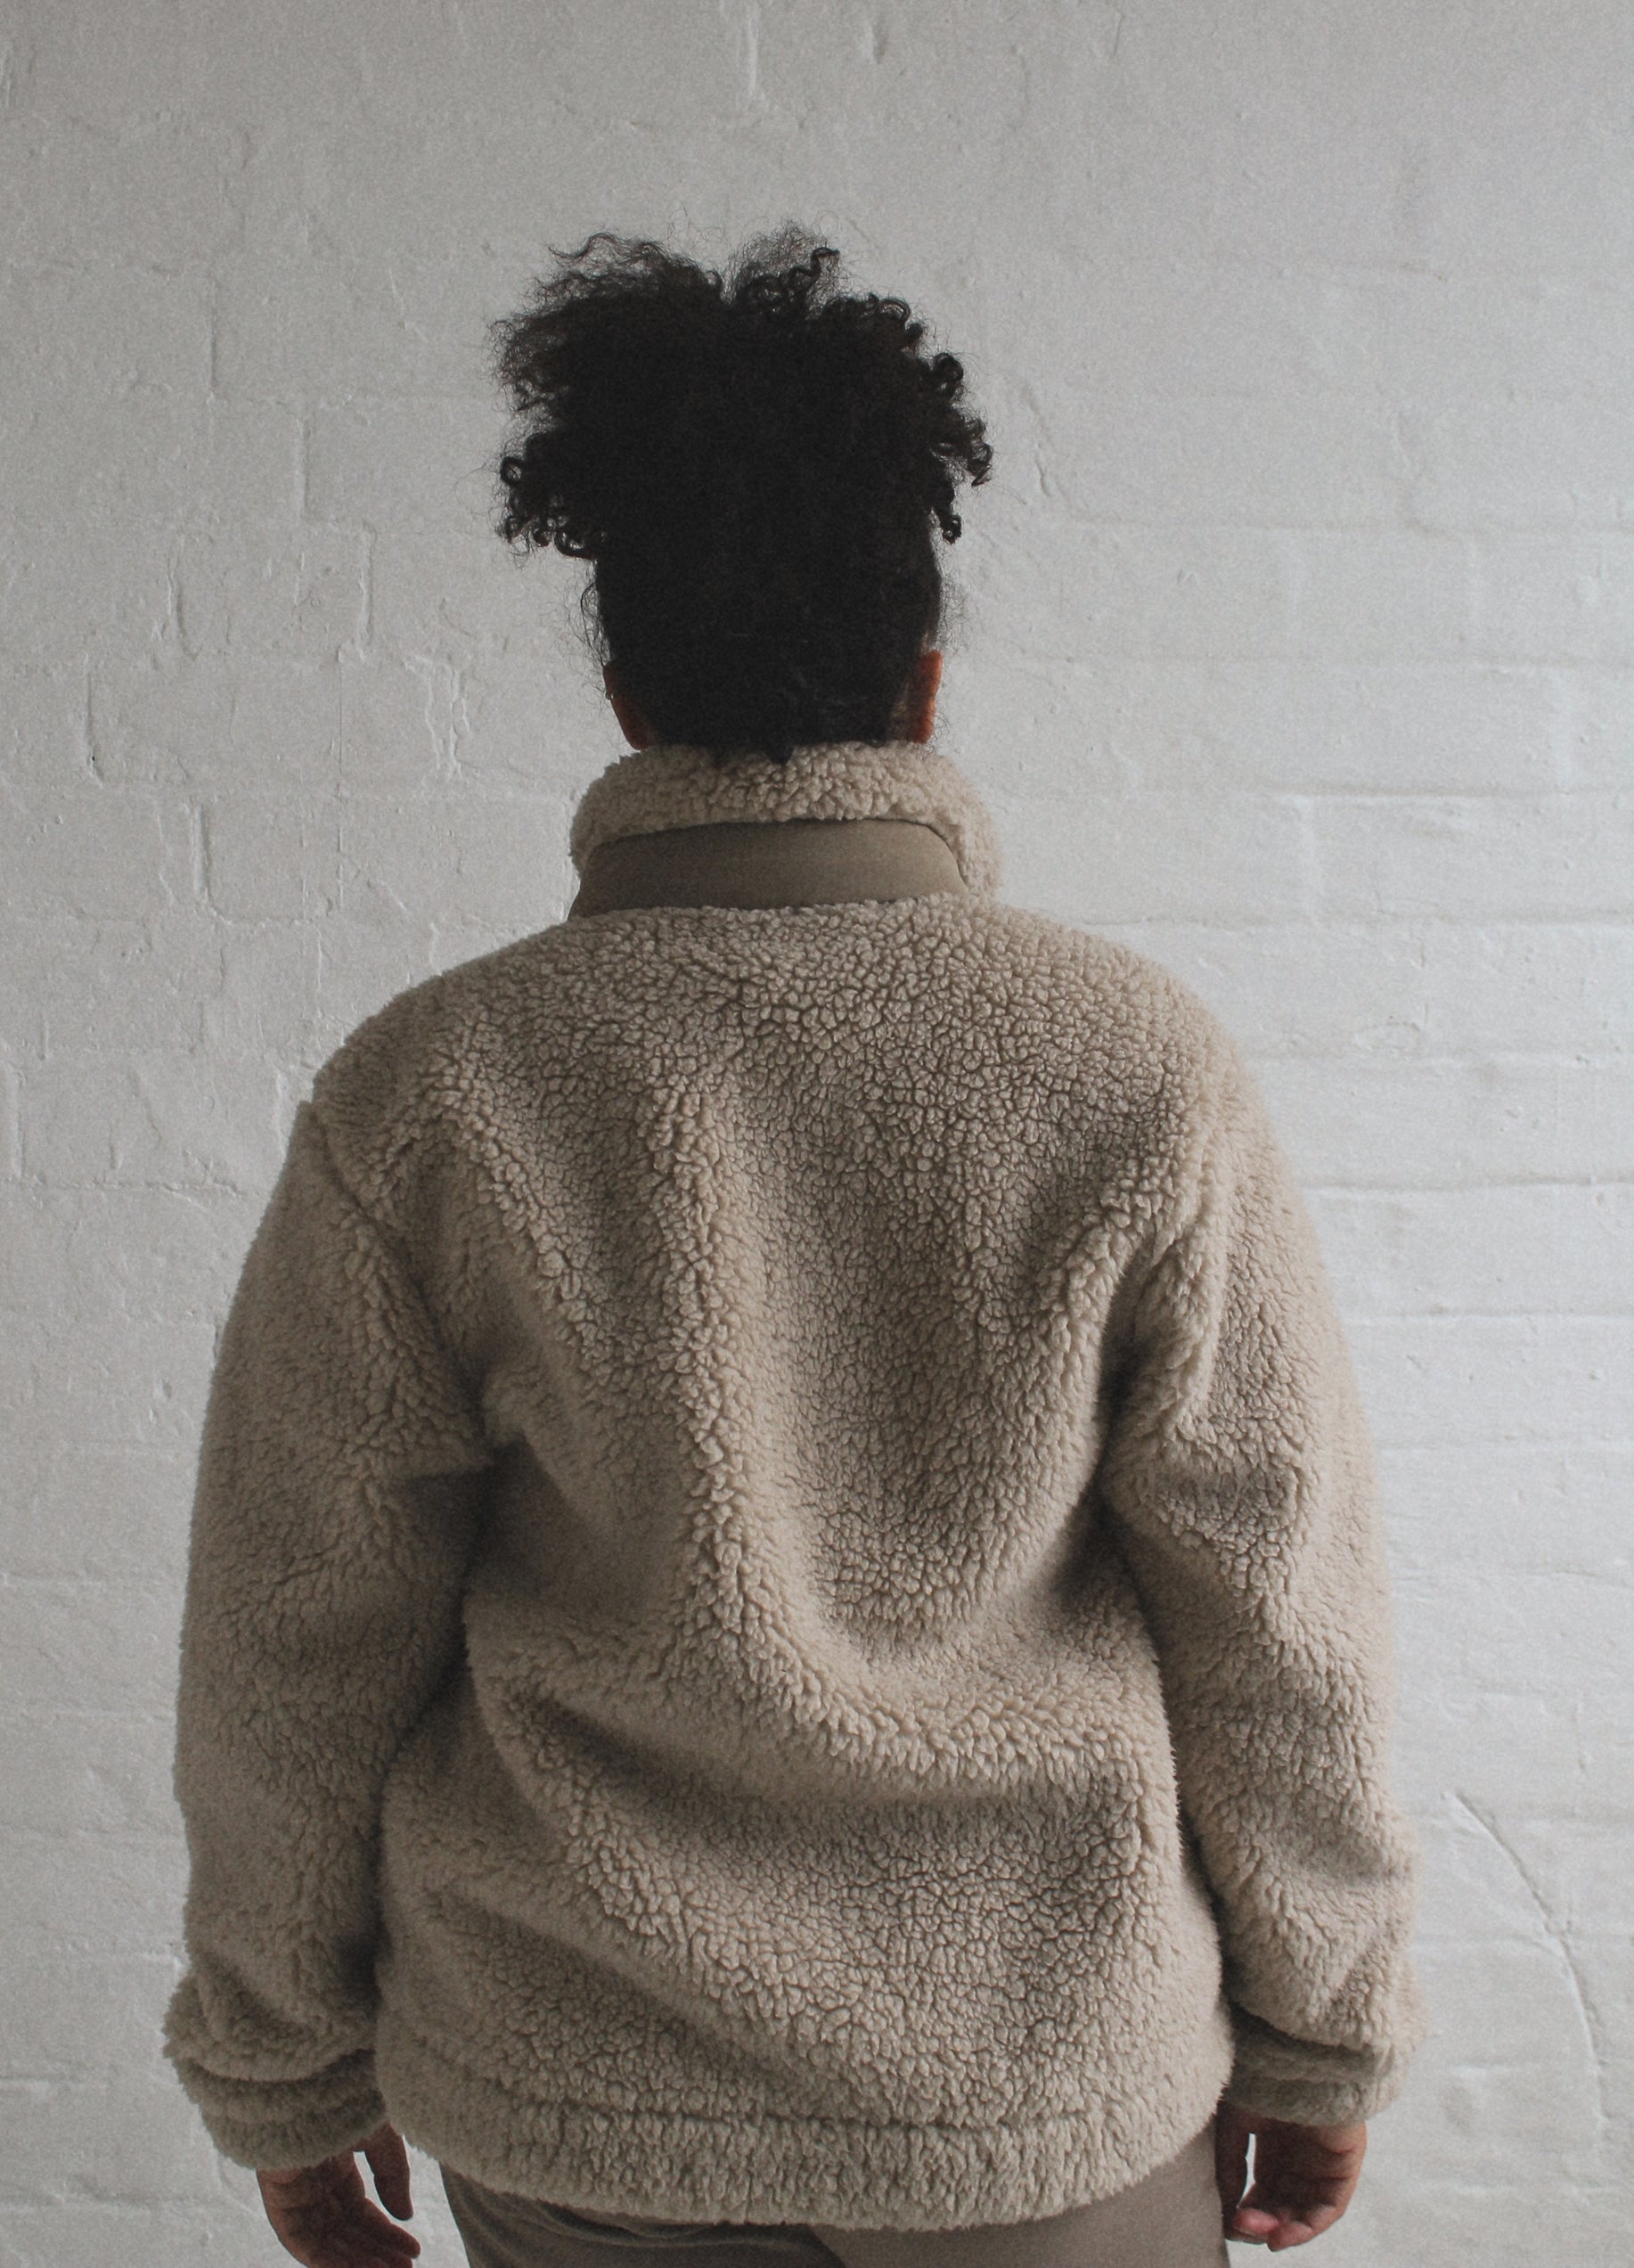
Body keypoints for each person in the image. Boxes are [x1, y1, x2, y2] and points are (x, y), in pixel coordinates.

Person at [161, 229, 1430, 2267]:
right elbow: (1279, 1607)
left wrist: (281, 2064)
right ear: (922, 685)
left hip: (577, 2088)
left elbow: (292, 1639)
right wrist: (1323, 2026)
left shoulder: (434, 1088)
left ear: (624, 694)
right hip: (1037, 2096)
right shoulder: (1129, 1063)